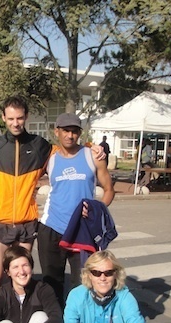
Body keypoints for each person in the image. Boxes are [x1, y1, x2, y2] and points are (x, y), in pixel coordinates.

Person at [37, 112, 115, 308]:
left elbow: (109, 190)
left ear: (80, 133)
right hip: (51, 227)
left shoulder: (93, 156)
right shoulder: (50, 159)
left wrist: (97, 210)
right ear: (57, 132)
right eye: (66, 131)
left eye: (74, 131)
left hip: (82, 231)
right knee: (51, 283)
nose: (70, 136)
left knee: (81, 285)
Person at [0, 96, 51, 295]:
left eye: (20, 118)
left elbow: (67, 152)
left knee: (21, 280)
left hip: (26, 223)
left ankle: (19, 317)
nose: (16, 123)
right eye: (11, 118)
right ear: (3, 117)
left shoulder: (40, 145)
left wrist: (93, 149)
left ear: (26, 117)